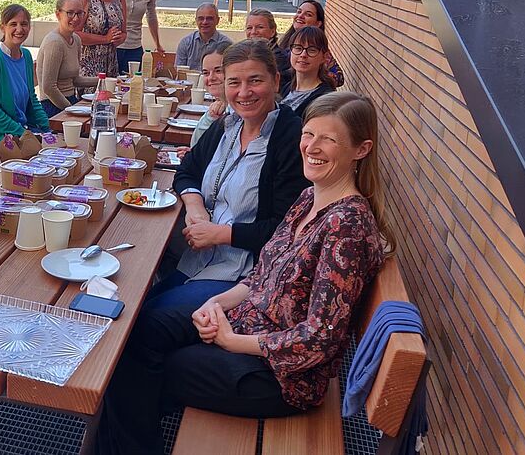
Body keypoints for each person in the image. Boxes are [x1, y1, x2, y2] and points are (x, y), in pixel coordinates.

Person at [97, 91, 391, 454]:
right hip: (245, 325)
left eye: (329, 139)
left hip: (279, 376)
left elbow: (321, 338)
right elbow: (260, 278)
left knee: (130, 371)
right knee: (136, 338)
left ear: (361, 149)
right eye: (309, 134)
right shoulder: (310, 198)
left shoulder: (347, 227)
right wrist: (215, 304)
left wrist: (230, 341)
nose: (312, 147)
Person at [159, 39, 310, 292]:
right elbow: (187, 170)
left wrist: (220, 234)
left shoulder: (291, 137)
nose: (243, 92)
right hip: (196, 260)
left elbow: (286, 226)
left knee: (149, 321)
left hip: (246, 274)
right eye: (234, 83)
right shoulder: (227, 125)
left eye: (255, 80)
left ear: (275, 80)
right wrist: (195, 208)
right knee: (136, 302)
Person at [0, 4, 50, 144]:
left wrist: (46, 127)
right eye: (13, 24)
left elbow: (31, 97)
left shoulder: (26, 55)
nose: (19, 29)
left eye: (24, 24)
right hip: (2, 138)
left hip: (24, 132)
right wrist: (21, 132)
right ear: (2, 27)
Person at [36, 0, 99, 117]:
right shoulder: (55, 42)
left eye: (79, 13)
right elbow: (49, 88)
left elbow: (75, 80)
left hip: (70, 101)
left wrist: (104, 80)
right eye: (70, 13)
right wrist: (72, 109)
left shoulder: (76, 39)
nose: (75, 18)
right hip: (53, 106)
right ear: (58, 14)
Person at [277, 0, 344, 87]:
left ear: (318, 23)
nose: (300, 16)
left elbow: (339, 78)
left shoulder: (318, 49)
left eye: (308, 14)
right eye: (299, 11)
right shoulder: (284, 42)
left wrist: (310, 77)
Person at [280, 26, 337, 118]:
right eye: (298, 48)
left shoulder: (325, 99)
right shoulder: (287, 87)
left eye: (312, 50)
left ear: (324, 57)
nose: (303, 55)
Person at [175, 3, 234, 70]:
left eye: (209, 18)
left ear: (217, 20)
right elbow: (180, 72)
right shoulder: (186, 43)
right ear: (196, 20)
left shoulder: (227, 46)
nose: (204, 22)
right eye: (201, 18)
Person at [245, 8, 291, 86]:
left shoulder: (278, 59)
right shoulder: (245, 54)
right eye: (249, 28)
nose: (253, 32)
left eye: (260, 27)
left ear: (272, 31)